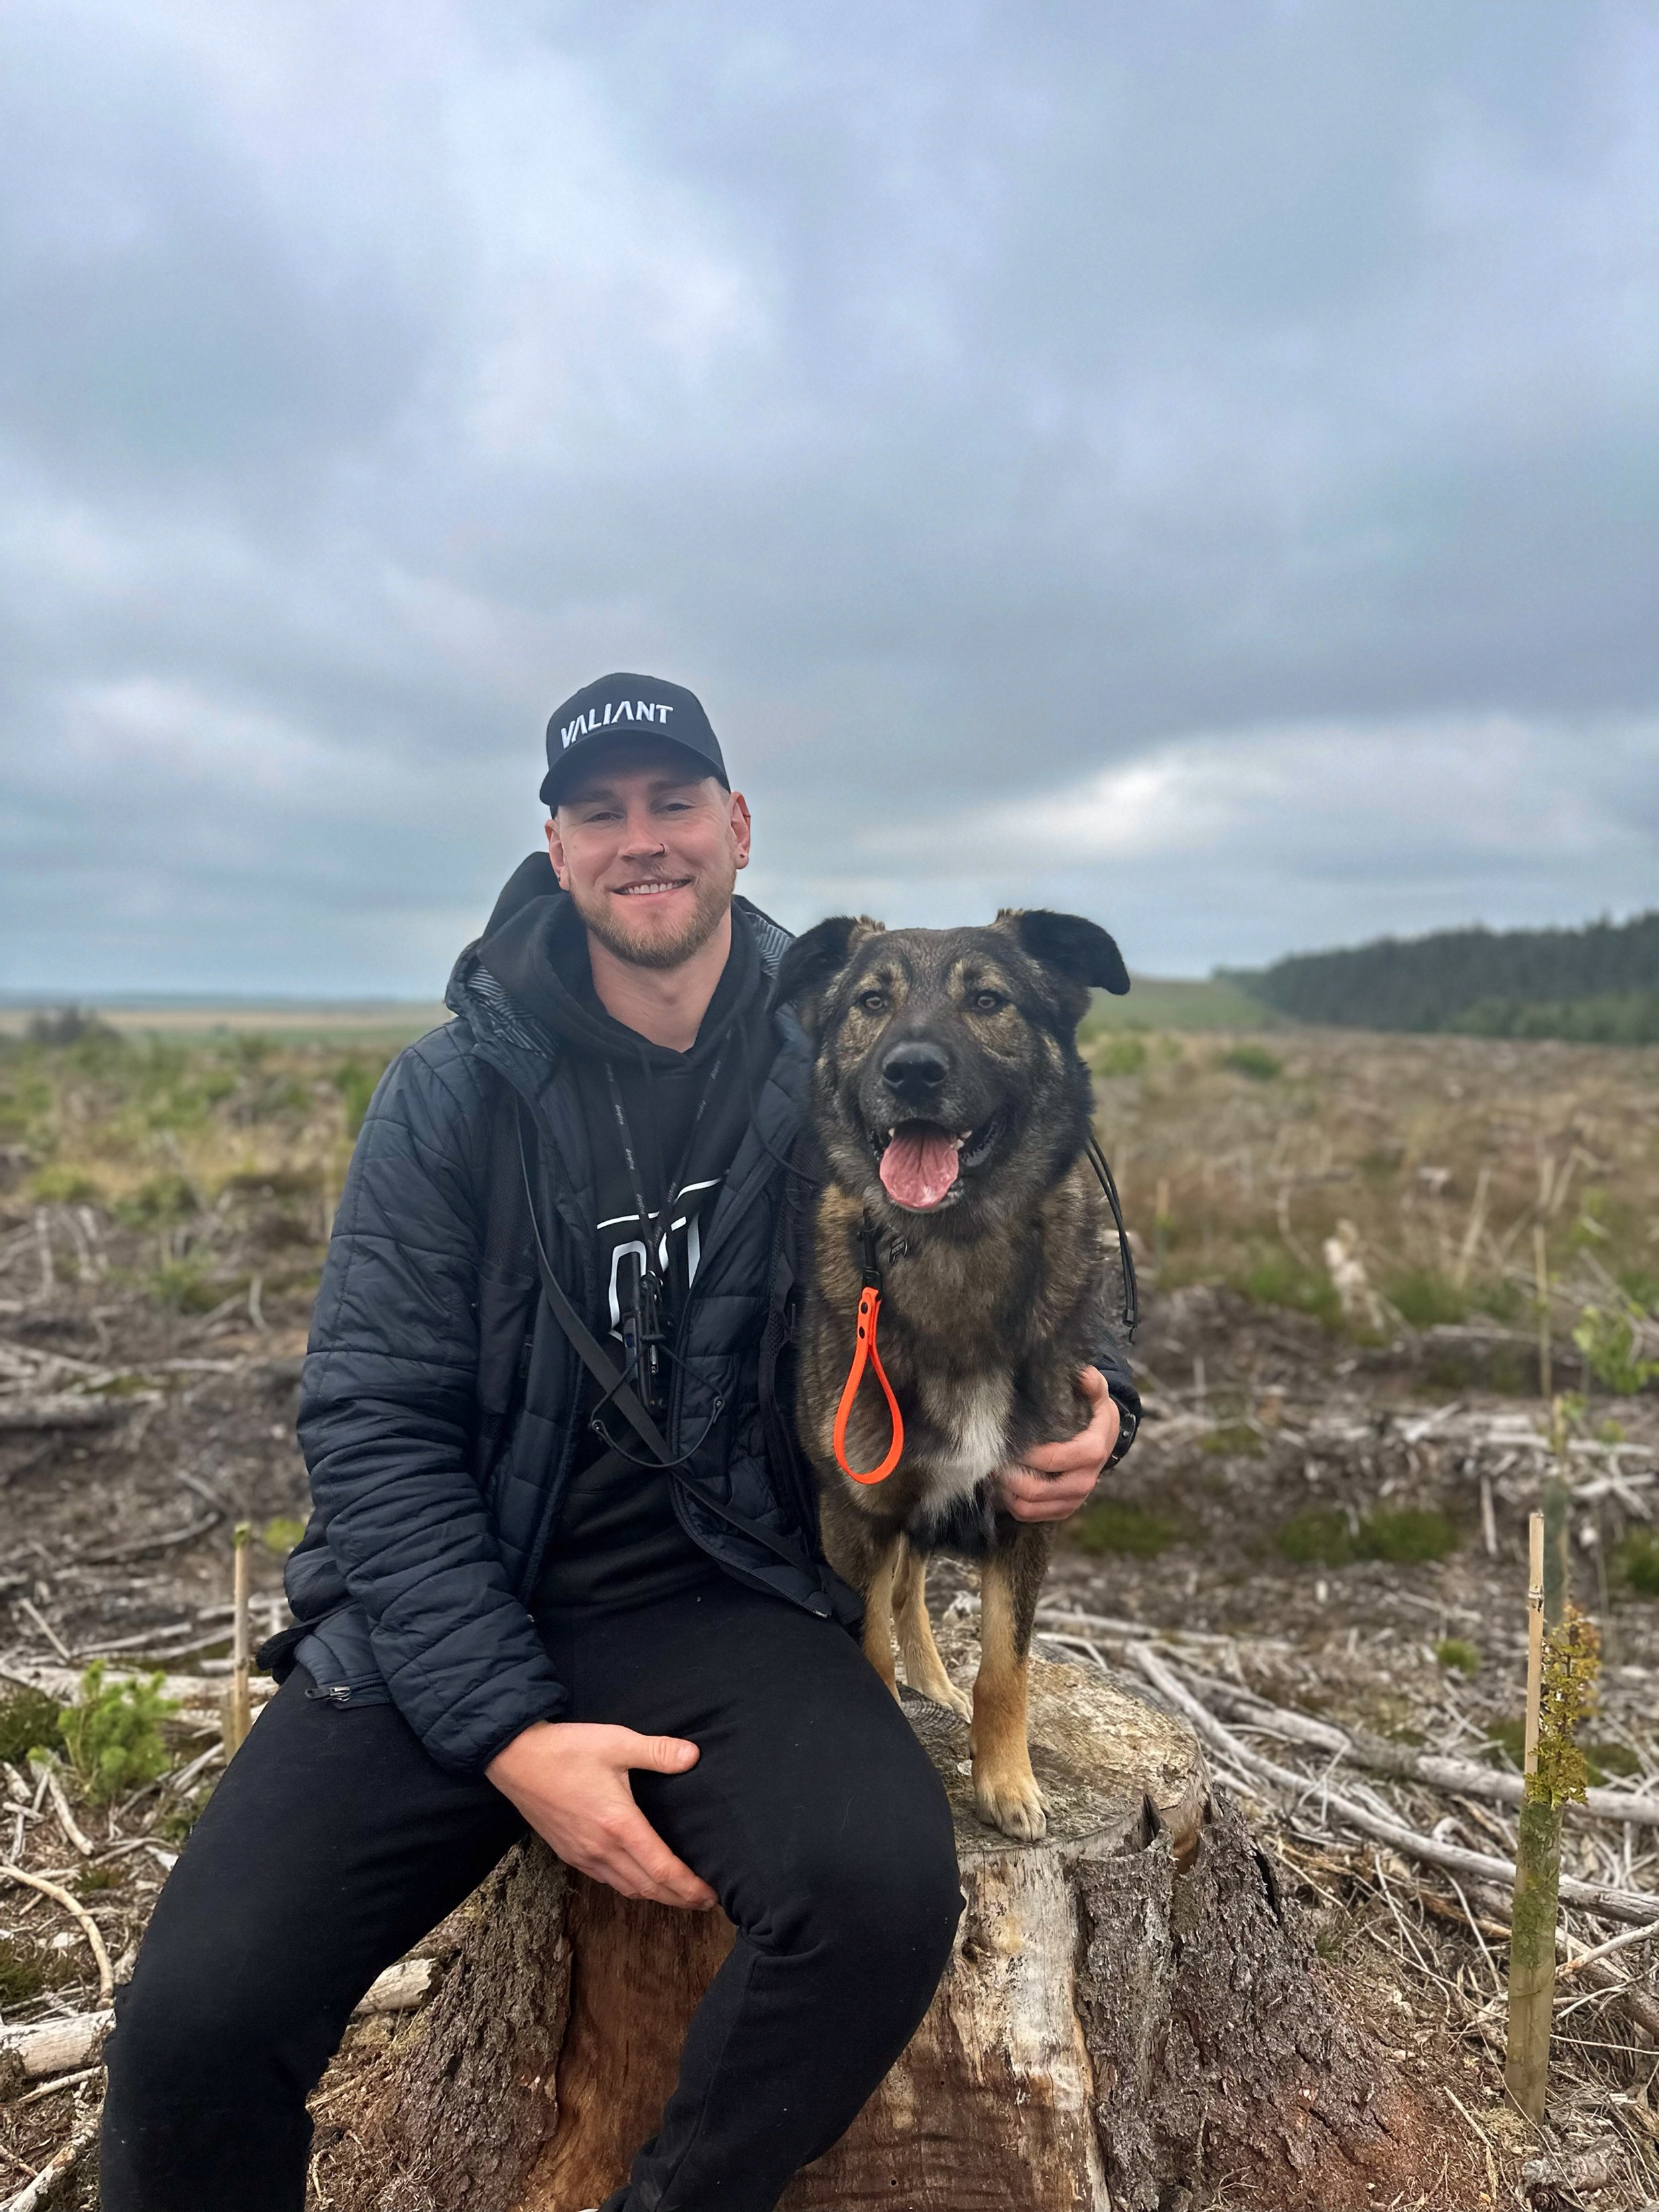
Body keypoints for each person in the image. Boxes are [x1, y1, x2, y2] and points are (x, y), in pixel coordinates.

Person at [100, 672, 1141, 2212]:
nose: (642, 840)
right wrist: (510, 1731)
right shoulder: (450, 1094)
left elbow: (1038, 1212)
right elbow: (369, 1423)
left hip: (721, 1598)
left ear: (735, 826)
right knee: (193, 2023)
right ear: (556, 843)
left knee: (876, 1892)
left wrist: (1103, 1395)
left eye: (674, 805)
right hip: (448, 1611)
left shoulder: (840, 1047)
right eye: (603, 813)